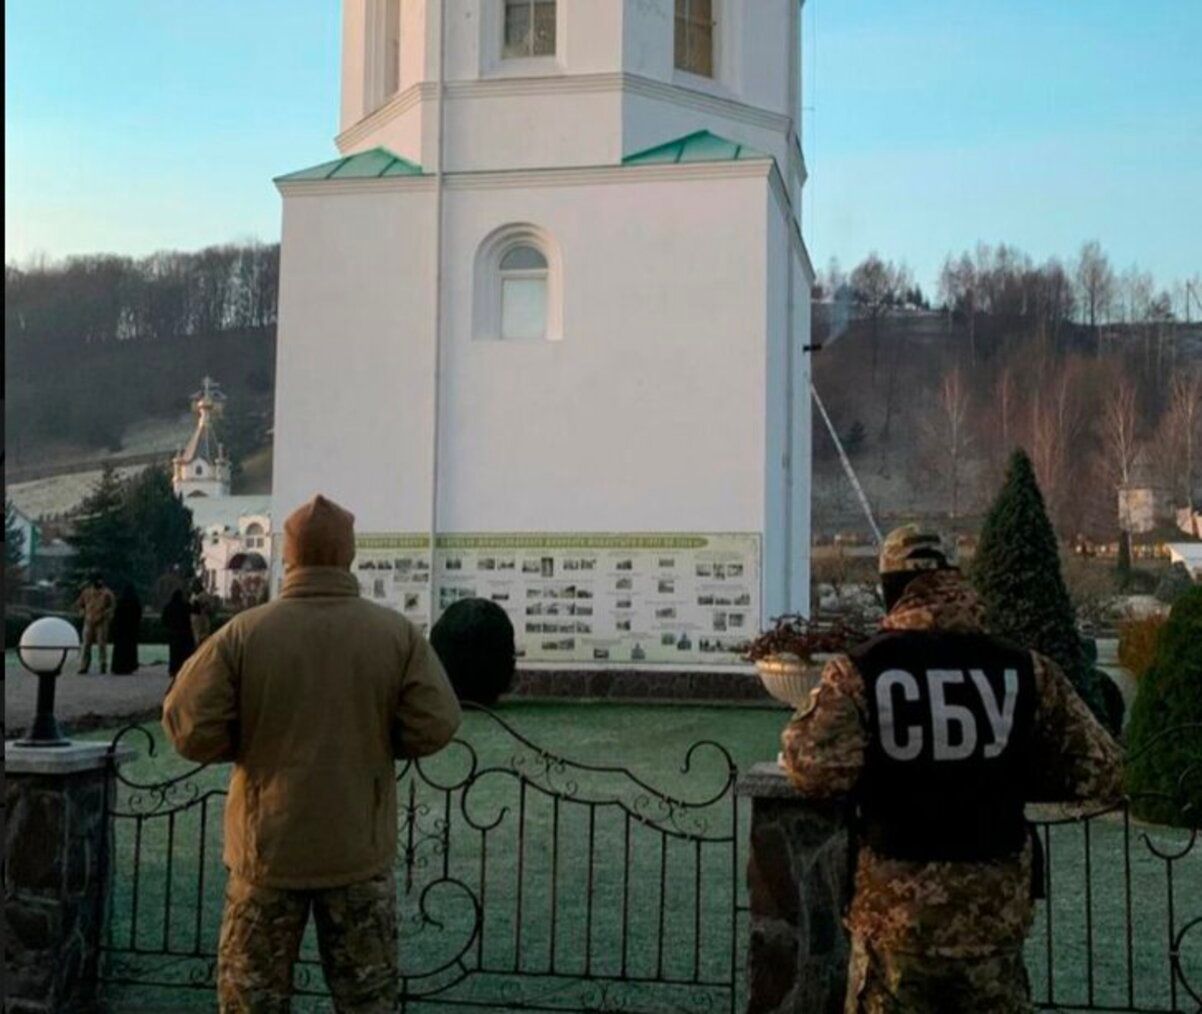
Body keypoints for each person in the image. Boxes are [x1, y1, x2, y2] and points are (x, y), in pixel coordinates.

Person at [781, 524, 1124, 1014]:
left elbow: (809, 769)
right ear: (955, 580)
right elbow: (1102, 770)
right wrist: (1009, 772)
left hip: (897, 915)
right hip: (994, 912)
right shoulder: (1026, 669)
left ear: (891, 588)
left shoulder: (859, 671)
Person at [162, 494, 462, 1012]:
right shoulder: (394, 634)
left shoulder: (244, 634)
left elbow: (187, 726)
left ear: (290, 555)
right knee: (367, 999)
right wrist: (373, 739)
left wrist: (248, 742)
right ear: (348, 554)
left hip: (267, 852)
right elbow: (435, 723)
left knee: (252, 999)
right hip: (357, 852)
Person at [75, 573, 116, 674]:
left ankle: (103, 665)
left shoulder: (107, 593)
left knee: (102, 645)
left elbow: (112, 606)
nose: (99, 582)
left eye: (100, 580)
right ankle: (84, 666)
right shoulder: (86, 592)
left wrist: (106, 614)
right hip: (88, 621)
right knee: (86, 645)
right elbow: (80, 604)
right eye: (97, 580)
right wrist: (82, 613)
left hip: (102, 622)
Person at [161, 589, 196, 678]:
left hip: (173, 633)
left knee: (174, 653)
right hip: (185, 633)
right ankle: (184, 669)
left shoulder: (168, 606)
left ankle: (173, 670)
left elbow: (164, 619)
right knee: (184, 653)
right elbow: (196, 610)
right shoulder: (184, 606)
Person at [110, 583, 142, 675]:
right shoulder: (135, 602)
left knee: (119, 650)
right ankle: (129, 666)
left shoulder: (121, 602)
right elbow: (138, 616)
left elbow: (116, 617)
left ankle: (118, 667)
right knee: (130, 649)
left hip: (121, 631)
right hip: (131, 631)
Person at [189, 579, 215, 647]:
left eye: (194, 586)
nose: (192, 588)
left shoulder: (204, 595)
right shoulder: (193, 595)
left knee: (203, 640)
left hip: (202, 620)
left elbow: (209, 608)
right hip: (194, 621)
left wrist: (202, 607)